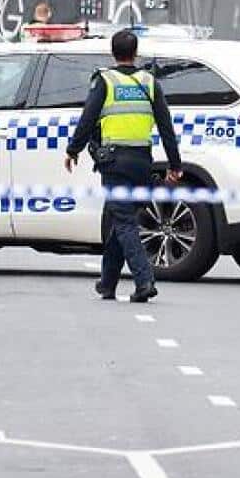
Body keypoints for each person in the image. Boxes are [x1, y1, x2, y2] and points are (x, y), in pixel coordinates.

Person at [64, 30, 182, 303]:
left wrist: (73, 150)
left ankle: (144, 280)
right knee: (121, 220)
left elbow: (87, 118)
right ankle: (107, 284)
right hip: (142, 163)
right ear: (136, 53)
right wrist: (175, 165)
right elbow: (166, 127)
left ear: (113, 53)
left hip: (115, 164)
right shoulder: (149, 82)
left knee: (125, 222)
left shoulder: (105, 80)